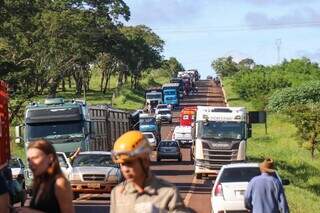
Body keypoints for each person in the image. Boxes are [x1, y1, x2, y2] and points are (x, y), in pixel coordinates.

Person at [110, 130, 192, 213]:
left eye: (130, 163)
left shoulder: (168, 193)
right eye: (122, 164)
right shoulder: (117, 193)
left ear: (145, 161)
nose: (125, 169)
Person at [16, 139, 75, 213]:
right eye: (29, 160)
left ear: (50, 158)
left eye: (35, 158)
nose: (30, 164)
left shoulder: (60, 183)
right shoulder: (40, 182)